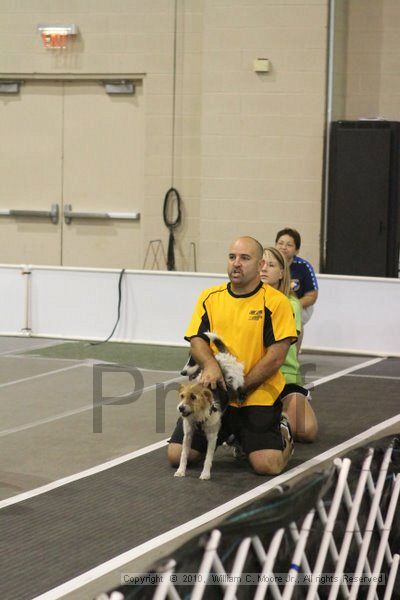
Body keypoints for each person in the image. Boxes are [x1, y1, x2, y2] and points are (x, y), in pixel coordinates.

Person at [168, 236, 297, 475]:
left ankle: (284, 431)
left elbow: (277, 356)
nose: (236, 263)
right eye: (232, 257)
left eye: (245, 258)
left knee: (267, 465)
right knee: (177, 456)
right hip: (215, 394)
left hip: (256, 393)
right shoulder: (210, 297)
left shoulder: (277, 303)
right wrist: (211, 366)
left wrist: (241, 387)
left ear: (260, 266)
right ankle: (231, 436)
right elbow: (196, 340)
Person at [260, 247, 318, 442]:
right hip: (255, 377)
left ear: (282, 272)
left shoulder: (291, 303)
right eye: (261, 264)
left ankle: (286, 410)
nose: (264, 268)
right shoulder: (246, 300)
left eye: (271, 265)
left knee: (306, 432)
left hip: (285, 378)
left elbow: (294, 344)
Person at [275, 228, 318, 349]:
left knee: (294, 319)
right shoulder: (266, 264)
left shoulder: (304, 267)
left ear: (296, 250)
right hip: (274, 304)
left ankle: (294, 354)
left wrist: (292, 306)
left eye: (289, 245)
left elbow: (312, 296)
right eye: (280, 243)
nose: (283, 247)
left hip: (299, 306)